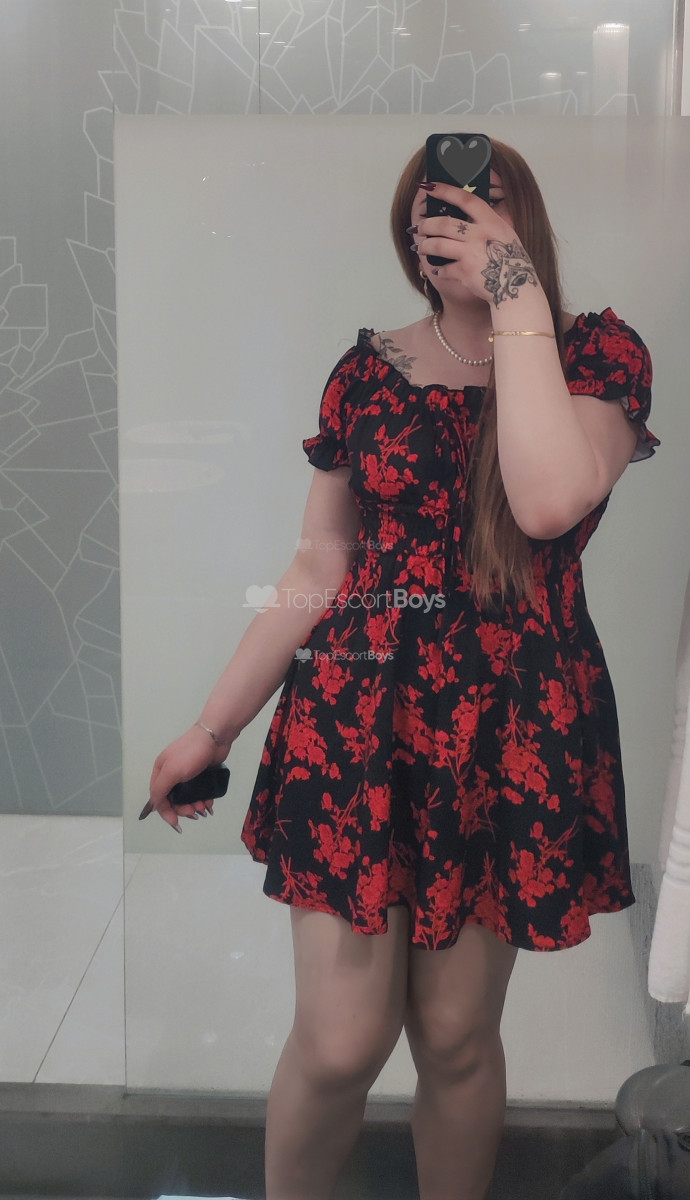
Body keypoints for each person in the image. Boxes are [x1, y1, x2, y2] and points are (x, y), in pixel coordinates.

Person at [147, 138, 661, 1200]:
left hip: (509, 732)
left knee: (458, 1038)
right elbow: (317, 565)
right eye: (436, 206)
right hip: (358, 720)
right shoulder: (368, 371)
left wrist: (514, 295)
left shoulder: (598, 358)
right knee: (339, 1043)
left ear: (522, 222)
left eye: (483, 203)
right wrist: (212, 727)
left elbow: (546, 503)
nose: (454, 221)